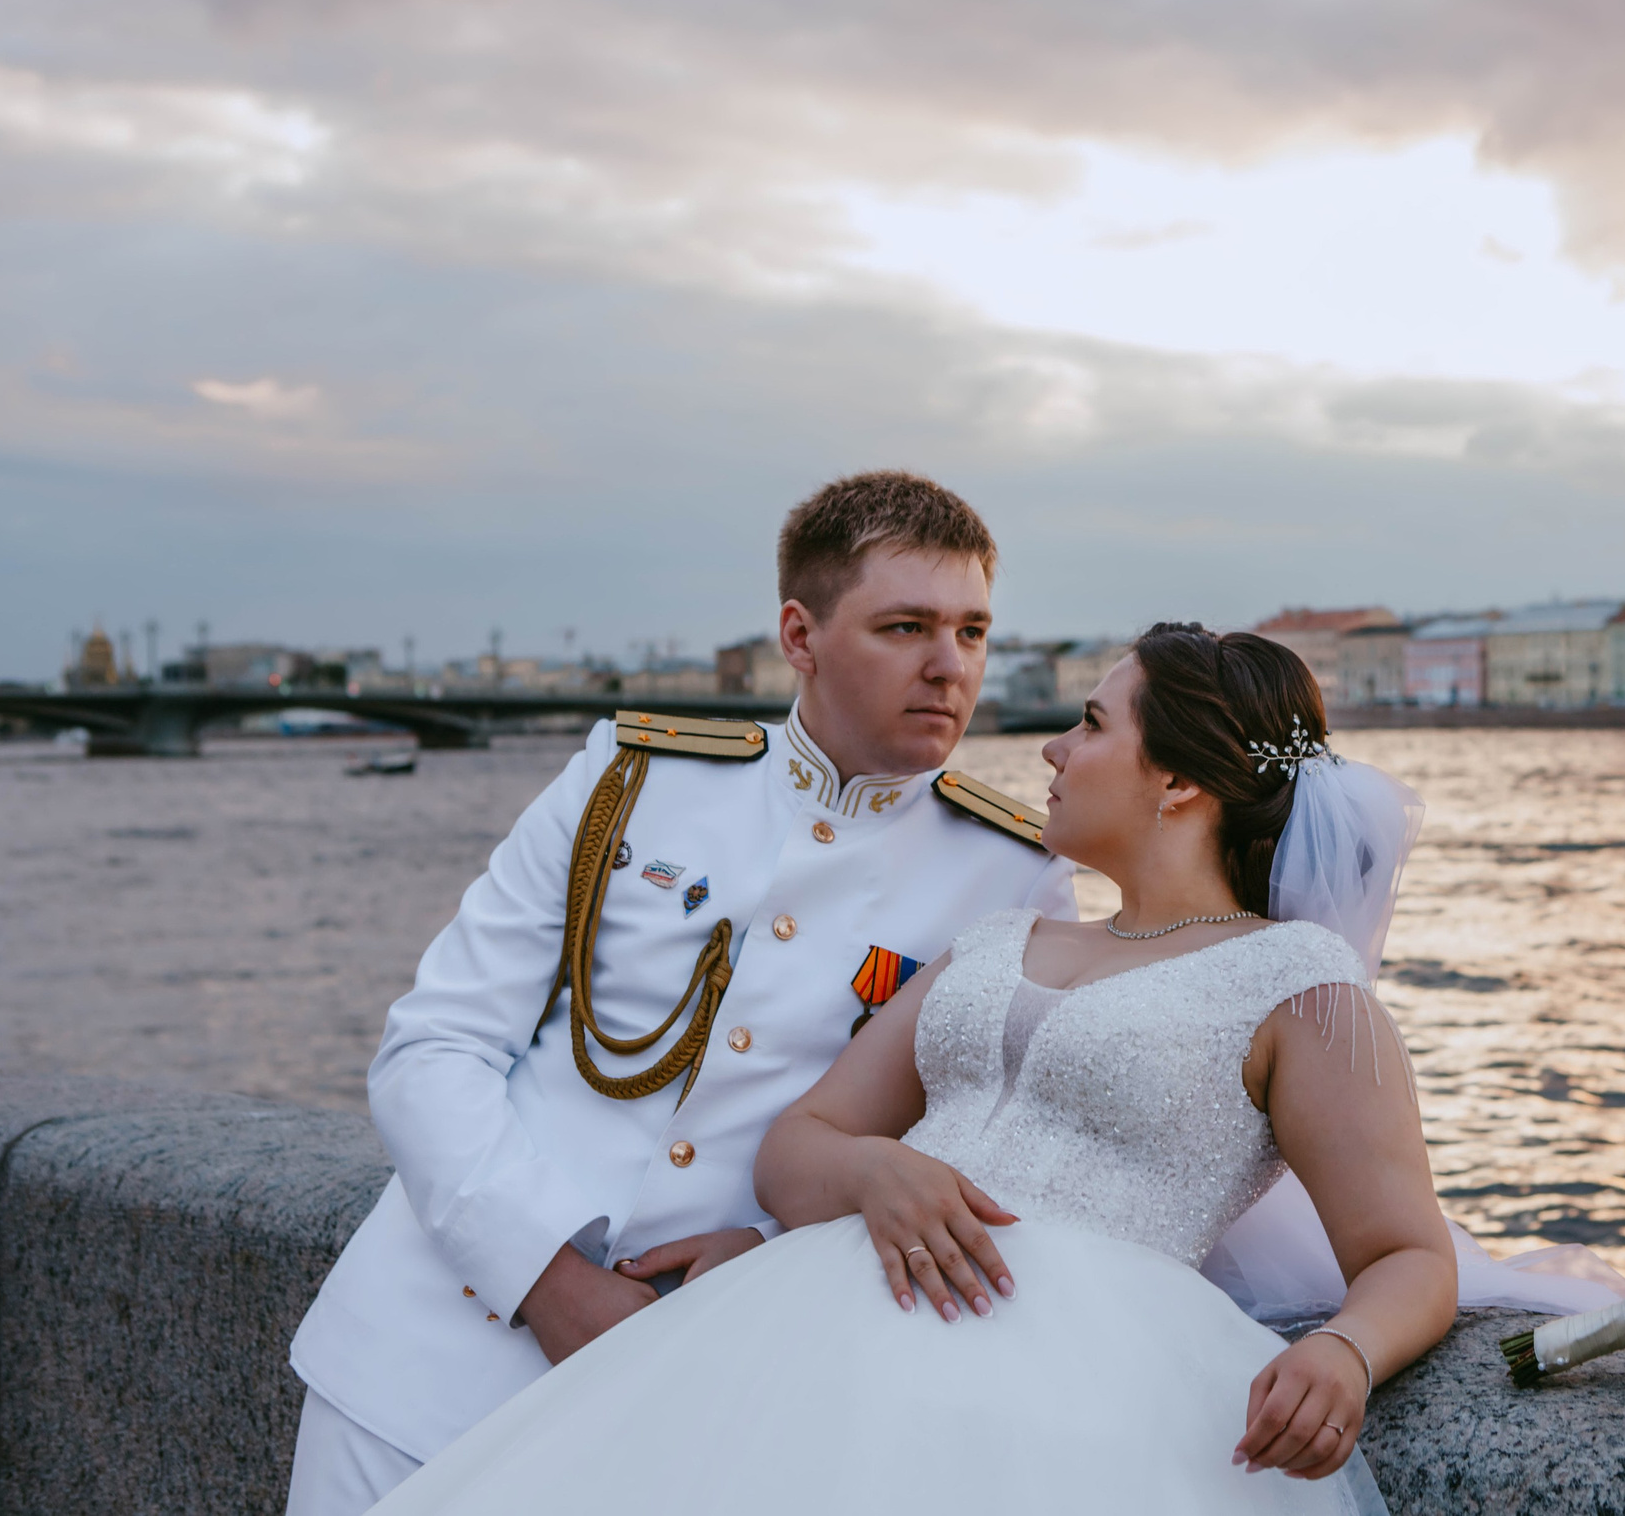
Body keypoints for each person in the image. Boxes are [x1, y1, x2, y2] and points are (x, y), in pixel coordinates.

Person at [372, 627, 1461, 1514]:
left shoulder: (1297, 984)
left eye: (1090, 725)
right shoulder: (995, 944)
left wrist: (1346, 1355)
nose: (1051, 752)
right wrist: (873, 1177)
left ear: (1175, 780)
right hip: (811, 1342)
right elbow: (798, 1147)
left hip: (1071, 1407)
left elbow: (1405, 1249)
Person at [284, 472, 1078, 1516]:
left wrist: (788, 1246)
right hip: (423, 1364)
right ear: (800, 635)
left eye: (973, 632)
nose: (949, 666)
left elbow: (989, 1166)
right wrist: (549, 1283)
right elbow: (433, 1048)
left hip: (700, 1387)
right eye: (905, 626)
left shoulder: (1015, 876)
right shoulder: (630, 780)